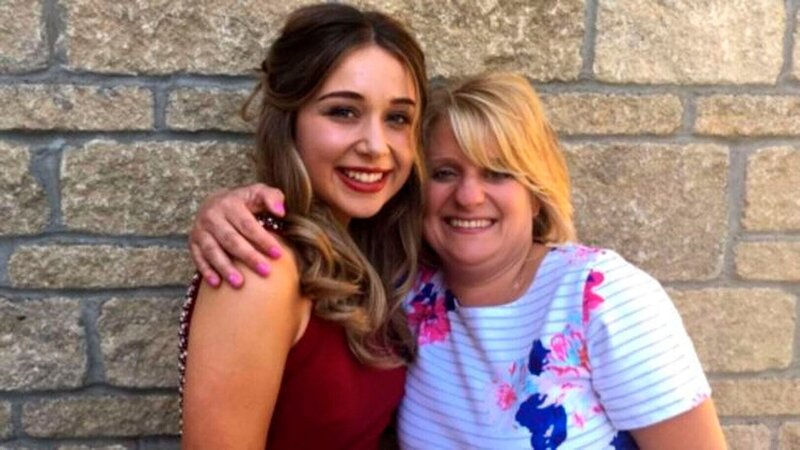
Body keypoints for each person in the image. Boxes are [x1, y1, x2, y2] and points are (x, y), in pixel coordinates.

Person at [189, 72, 726, 448]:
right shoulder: (401, 290)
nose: (469, 197)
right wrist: (228, 211)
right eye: (445, 173)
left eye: (497, 172)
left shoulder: (602, 296)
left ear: (536, 189)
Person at [179, 3, 428, 449]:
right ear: (290, 122)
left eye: (397, 118)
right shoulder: (263, 265)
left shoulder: (370, 248)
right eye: (343, 112)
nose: (376, 146)